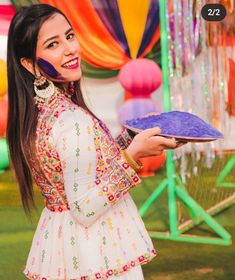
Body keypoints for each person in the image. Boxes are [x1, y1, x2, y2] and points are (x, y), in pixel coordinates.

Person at [6, 4, 179, 280]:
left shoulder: (42, 114)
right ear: (30, 64)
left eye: (70, 36)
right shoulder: (71, 120)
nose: (70, 48)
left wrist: (132, 135)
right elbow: (85, 208)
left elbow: (88, 167)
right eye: (53, 44)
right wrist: (134, 155)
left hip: (67, 246)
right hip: (96, 249)